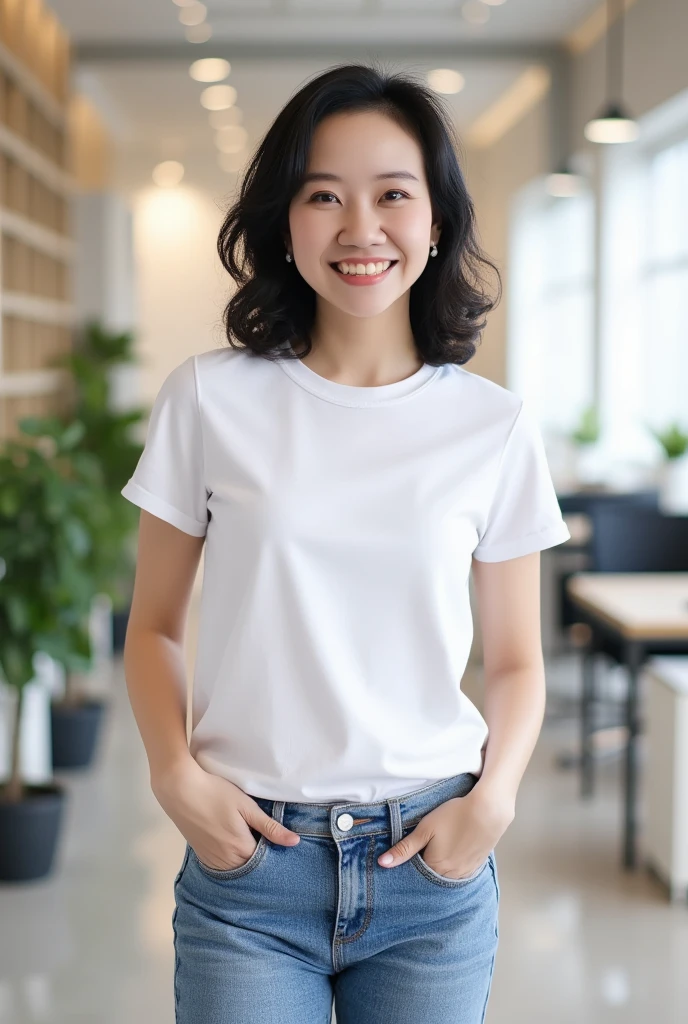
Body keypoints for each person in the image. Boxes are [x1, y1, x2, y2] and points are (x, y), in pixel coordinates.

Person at [121, 62, 570, 1024]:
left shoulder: (493, 424)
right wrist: (174, 777)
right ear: (285, 222)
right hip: (251, 868)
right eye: (323, 195)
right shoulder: (210, 399)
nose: (360, 229)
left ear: (436, 220)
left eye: (392, 196)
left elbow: (516, 661)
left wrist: (492, 802)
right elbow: (153, 625)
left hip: (431, 872)